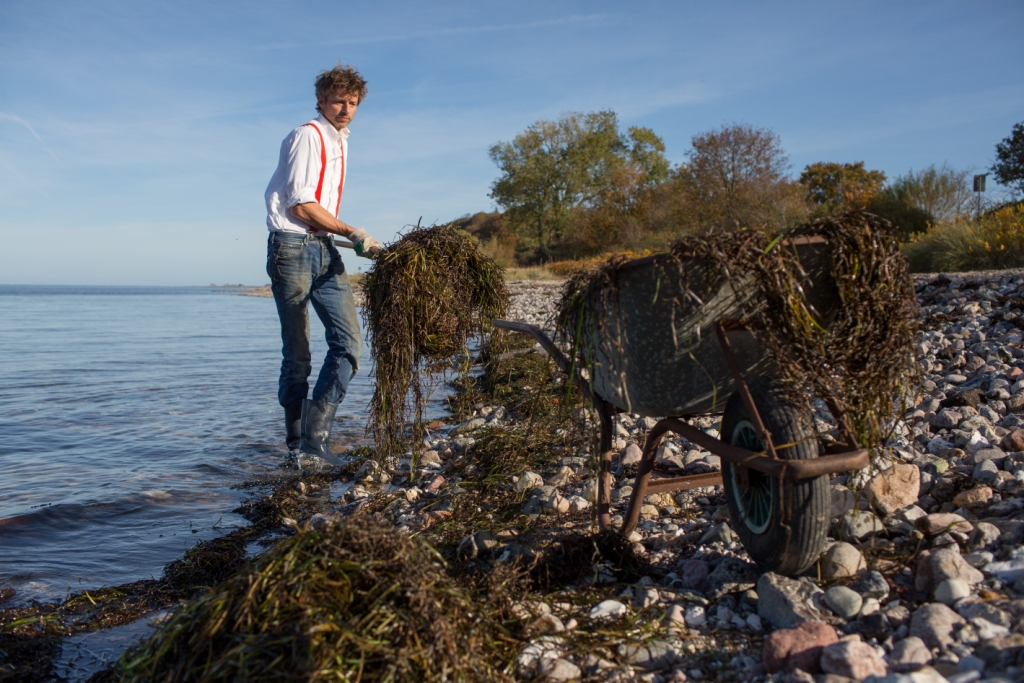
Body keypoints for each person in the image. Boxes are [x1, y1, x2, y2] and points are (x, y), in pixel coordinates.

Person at [264, 64, 381, 464]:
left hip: (323, 246)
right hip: (290, 248)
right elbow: (301, 205)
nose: (346, 109)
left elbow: (316, 211)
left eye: (353, 103)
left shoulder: (340, 142)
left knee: (349, 345)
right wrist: (353, 232)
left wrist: (347, 237)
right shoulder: (307, 136)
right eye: (338, 101)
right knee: (297, 354)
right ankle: (298, 445)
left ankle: (315, 442)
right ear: (321, 101)